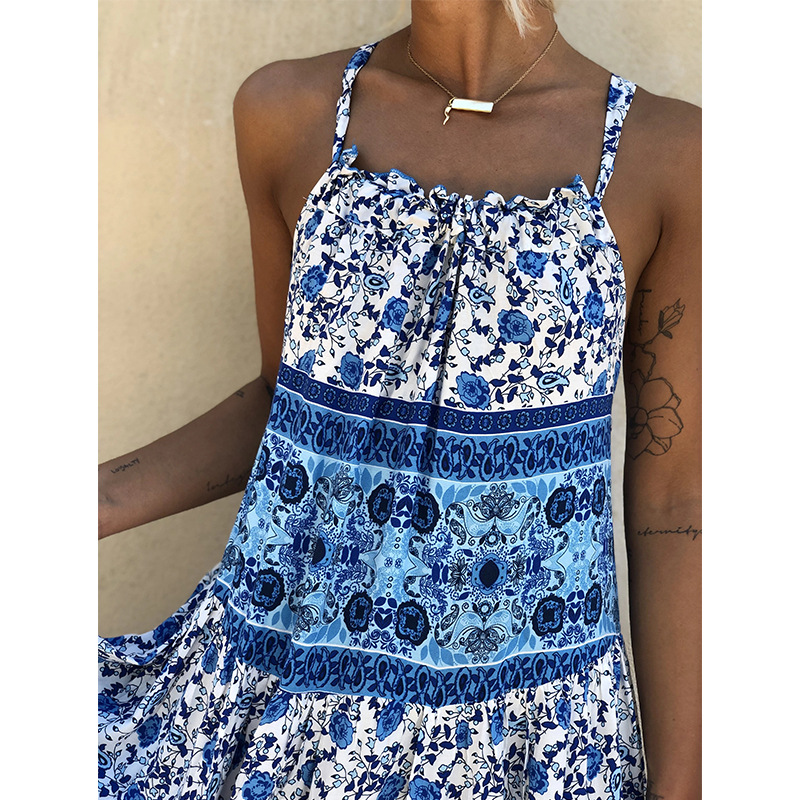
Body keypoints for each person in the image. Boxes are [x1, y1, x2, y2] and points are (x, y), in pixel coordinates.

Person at [98, 1, 701, 798]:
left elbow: (674, 501)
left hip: (530, 746)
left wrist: (685, 782)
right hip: (271, 714)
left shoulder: (671, 156)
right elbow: (290, 406)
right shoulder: (287, 113)